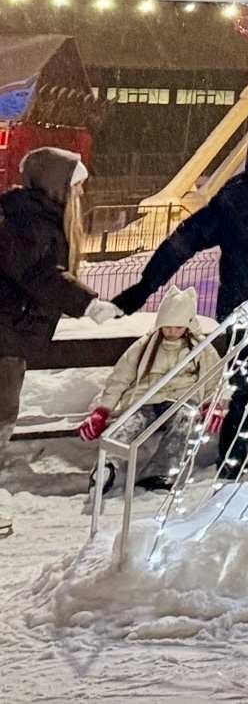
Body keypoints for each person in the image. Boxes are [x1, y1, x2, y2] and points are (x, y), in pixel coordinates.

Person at [113, 111, 248, 478]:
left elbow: (186, 238)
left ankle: (232, 465)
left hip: (238, 310)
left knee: (244, 387)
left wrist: (143, 287)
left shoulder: (238, 187)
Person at [0, 147, 120, 537]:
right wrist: (88, 303)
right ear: (56, 185)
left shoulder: (32, 217)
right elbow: (39, 274)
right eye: (77, 186)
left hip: (11, 337)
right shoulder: (26, 220)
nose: (81, 195)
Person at [80, 287, 225, 495]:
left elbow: (213, 378)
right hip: (146, 400)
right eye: (167, 327)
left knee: (185, 420)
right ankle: (107, 466)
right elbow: (120, 378)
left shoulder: (201, 349)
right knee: (129, 425)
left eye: (178, 327)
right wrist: (103, 410)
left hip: (181, 401)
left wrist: (212, 403)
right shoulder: (145, 346)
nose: (172, 332)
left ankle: (160, 472)